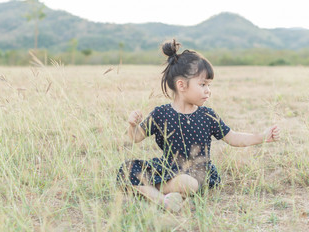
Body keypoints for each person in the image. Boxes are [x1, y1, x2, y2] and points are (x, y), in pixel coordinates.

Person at [117, 39, 280, 212]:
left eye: (209, 85)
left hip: (196, 171)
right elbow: (136, 137)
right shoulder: (161, 113)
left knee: (188, 183)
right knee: (126, 170)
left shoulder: (207, 115)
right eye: (203, 84)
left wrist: (261, 137)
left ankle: (154, 192)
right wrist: (132, 125)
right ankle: (164, 200)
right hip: (167, 168)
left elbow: (233, 137)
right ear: (182, 85)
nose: (208, 90)